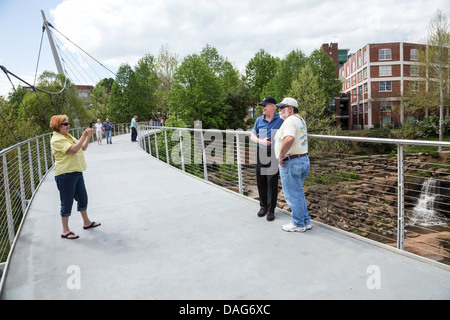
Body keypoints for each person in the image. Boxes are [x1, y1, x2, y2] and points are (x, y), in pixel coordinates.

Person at [49, 115, 101, 240]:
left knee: (83, 198)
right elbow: (73, 150)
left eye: (68, 123)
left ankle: (86, 222)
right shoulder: (56, 139)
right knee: (67, 202)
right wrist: (83, 135)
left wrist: (88, 136)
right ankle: (65, 230)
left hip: (76, 172)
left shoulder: (68, 136)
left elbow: (83, 147)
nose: (68, 126)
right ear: (58, 126)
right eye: (65, 124)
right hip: (65, 174)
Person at [273, 98, 311, 232]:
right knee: (298, 192)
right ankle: (305, 221)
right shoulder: (300, 120)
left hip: (291, 162)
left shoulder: (290, 120)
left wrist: (281, 156)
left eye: (282, 107)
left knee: (292, 194)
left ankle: (298, 224)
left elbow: (289, 138)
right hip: (302, 159)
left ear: (290, 109)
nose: (279, 110)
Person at [250, 96, 284, 221]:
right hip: (261, 153)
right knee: (261, 180)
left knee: (272, 182)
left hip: (274, 154)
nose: (262, 107)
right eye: (262, 105)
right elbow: (252, 135)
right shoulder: (259, 120)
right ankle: (263, 206)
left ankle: (271, 210)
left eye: (265, 105)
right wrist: (261, 141)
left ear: (272, 106)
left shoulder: (281, 119)